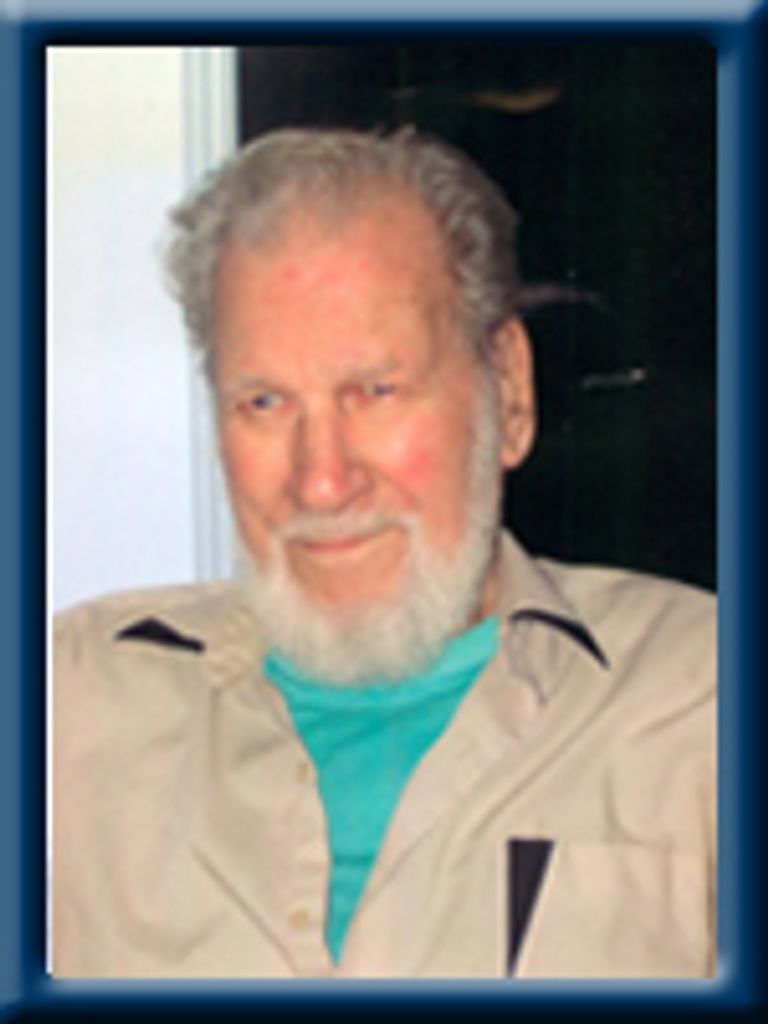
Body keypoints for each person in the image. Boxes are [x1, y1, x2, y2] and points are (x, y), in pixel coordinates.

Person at [52, 126, 716, 979]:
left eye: (376, 390)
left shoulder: (706, 704)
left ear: (509, 392)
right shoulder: (69, 704)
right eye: (264, 403)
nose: (322, 481)